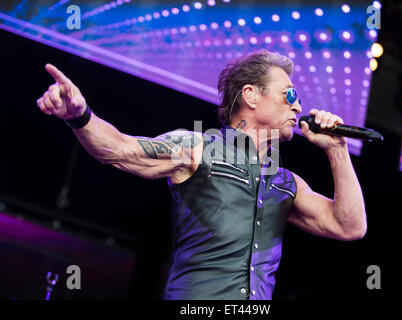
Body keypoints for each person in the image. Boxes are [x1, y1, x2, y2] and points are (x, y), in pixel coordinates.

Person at [36, 50, 366, 300]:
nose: (297, 107)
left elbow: (350, 226)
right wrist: (80, 116)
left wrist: (336, 149)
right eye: (289, 94)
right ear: (251, 95)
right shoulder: (198, 149)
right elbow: (120, 150)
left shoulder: (286, 184)